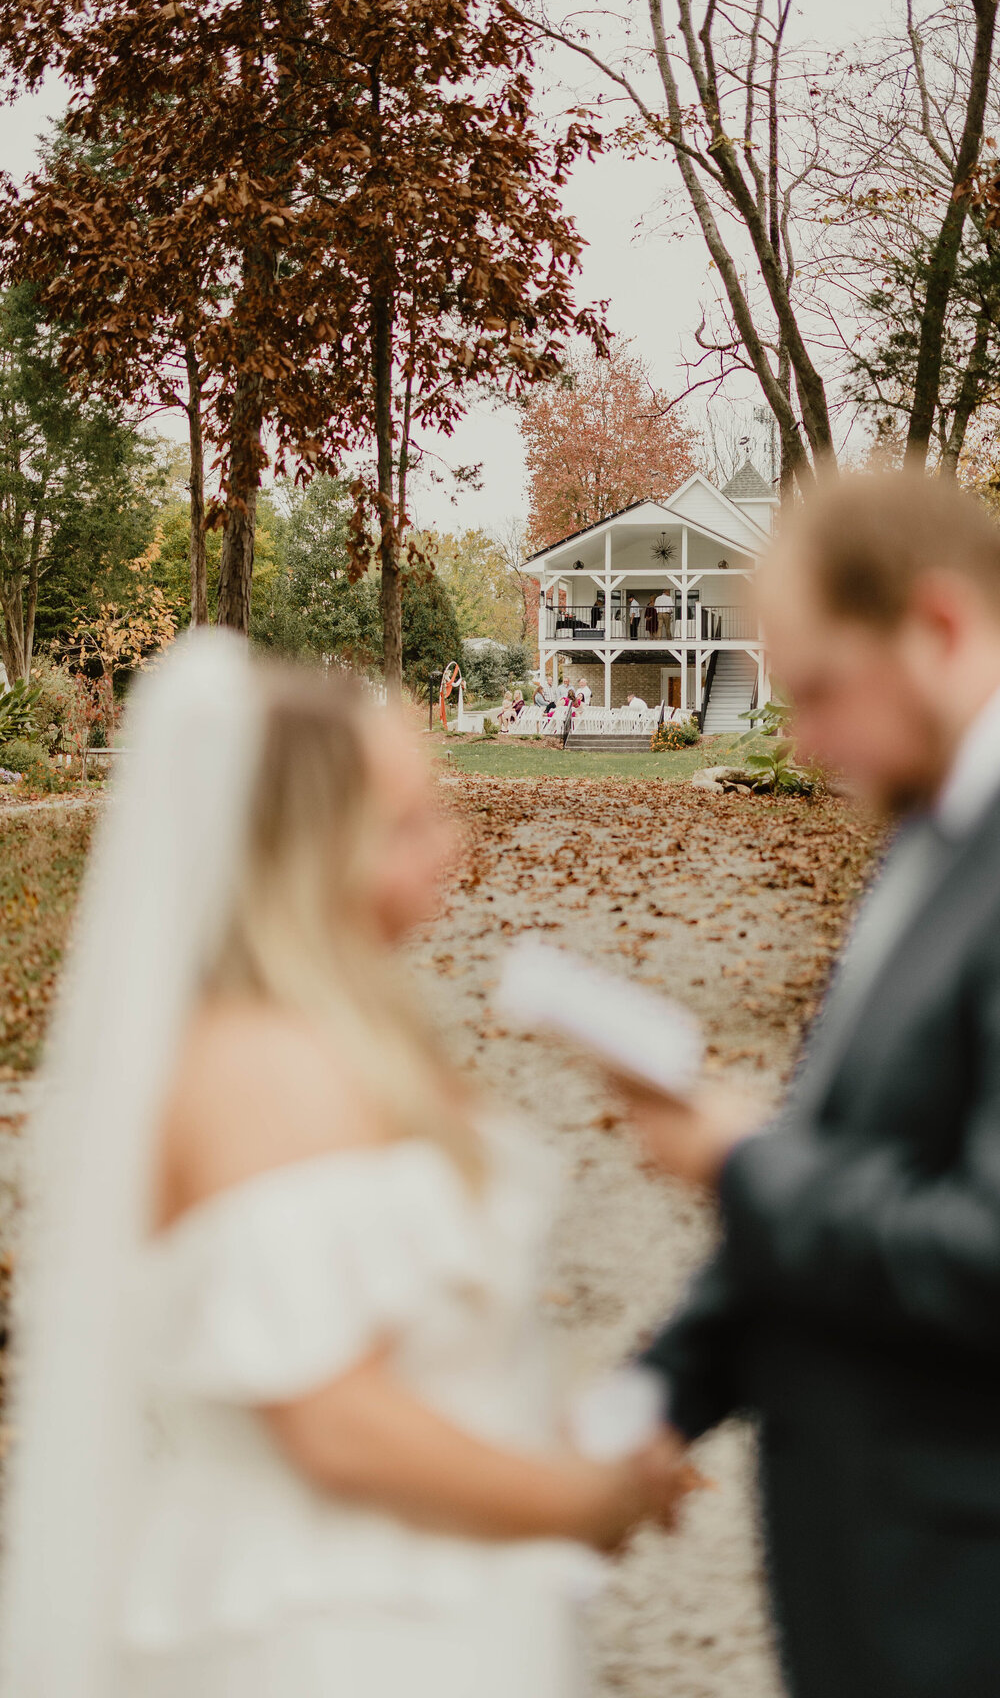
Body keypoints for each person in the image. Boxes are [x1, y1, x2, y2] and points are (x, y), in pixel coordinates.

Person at [0, 633, 687, 1698]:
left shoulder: (346, 1027)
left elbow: (408, 1335)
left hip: (423, 1590)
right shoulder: (258, 1067)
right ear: (305, 847)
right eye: (408, 823)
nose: (450, 845)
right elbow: (338, 1424)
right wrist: (575, 1497)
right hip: (323, 1622)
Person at [621, 471, 1000, 1698]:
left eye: (821, 692)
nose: (807, 743)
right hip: (911, 1597)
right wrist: (664, 1391)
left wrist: (739, 1162)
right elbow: (851, 1137)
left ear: (936, 627)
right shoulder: (953, 809)